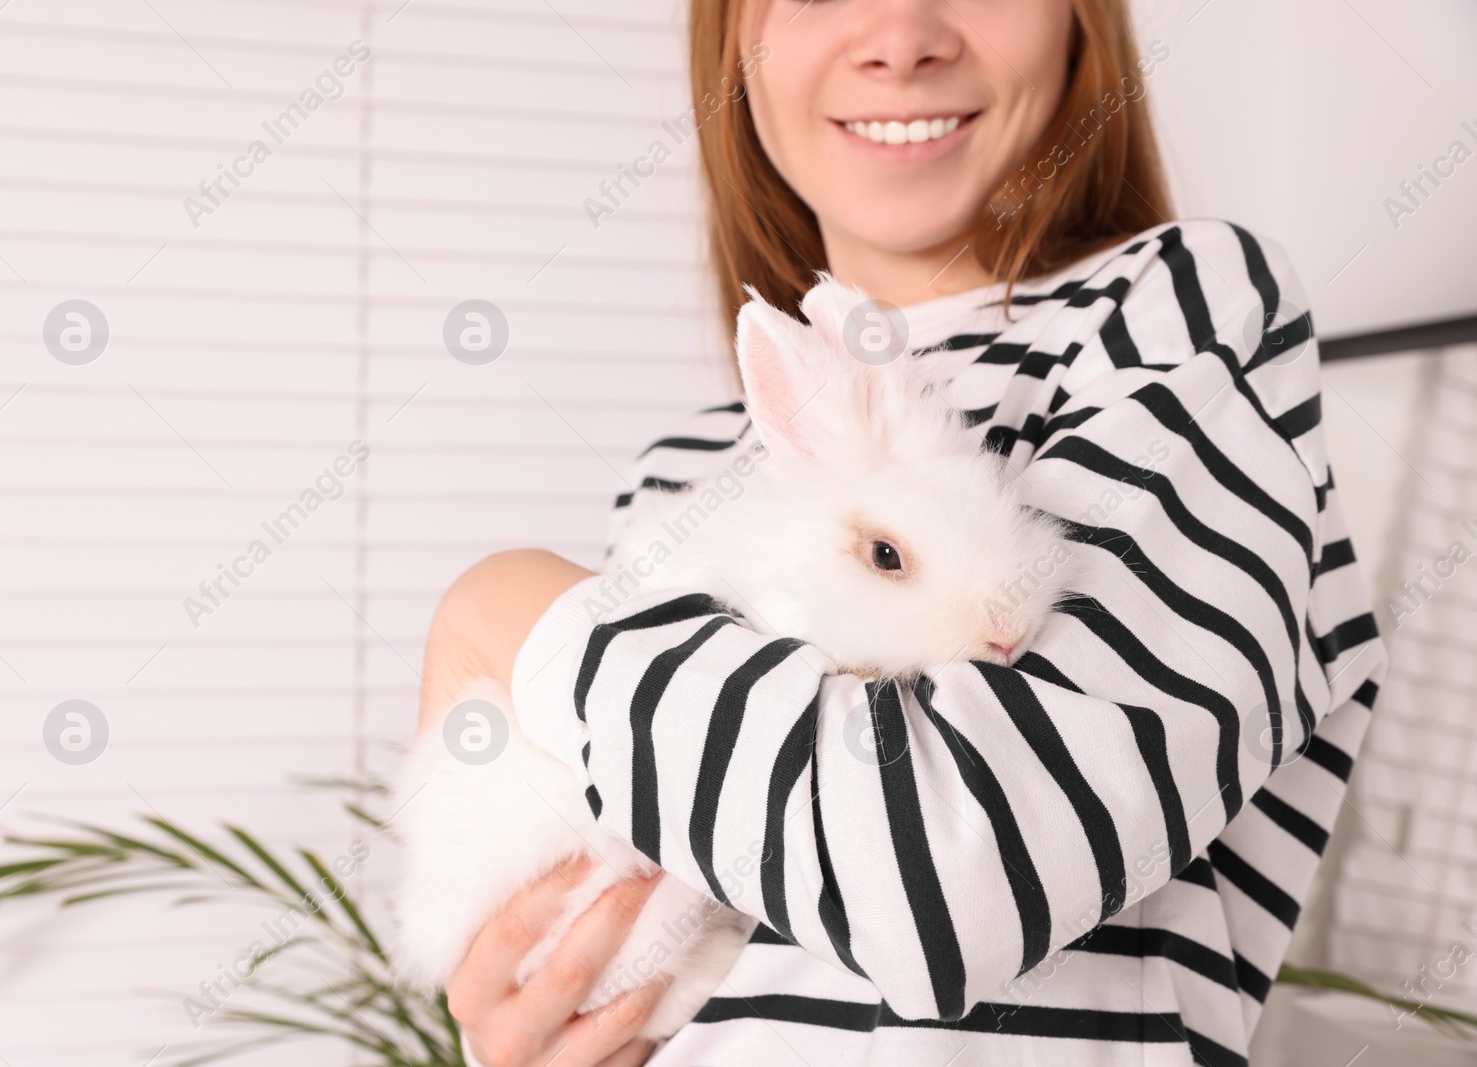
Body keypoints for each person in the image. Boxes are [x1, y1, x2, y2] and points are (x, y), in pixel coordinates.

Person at [416, 0, 1388, 1063]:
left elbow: (946, 882)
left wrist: (503, 608)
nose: (898, 35)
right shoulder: (688, 469)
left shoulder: (1176, 319)